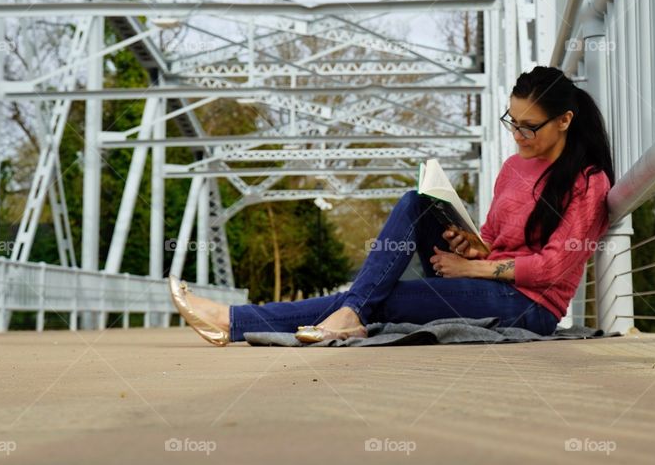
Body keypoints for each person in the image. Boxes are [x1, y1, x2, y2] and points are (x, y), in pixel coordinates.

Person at [169, 66, 614, 346]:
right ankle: (344, 312)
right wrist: (473, 246)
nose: (517, 135)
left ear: (564, 121)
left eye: (528, 127)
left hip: (529, 306)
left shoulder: (588, 181)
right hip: (488, 276)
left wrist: (474, 269)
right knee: (416, 201)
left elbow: (555, 266)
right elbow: (496, 238)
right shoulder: (515, 167)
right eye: (511, 123)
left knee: (380, 300)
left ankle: (236, 321)